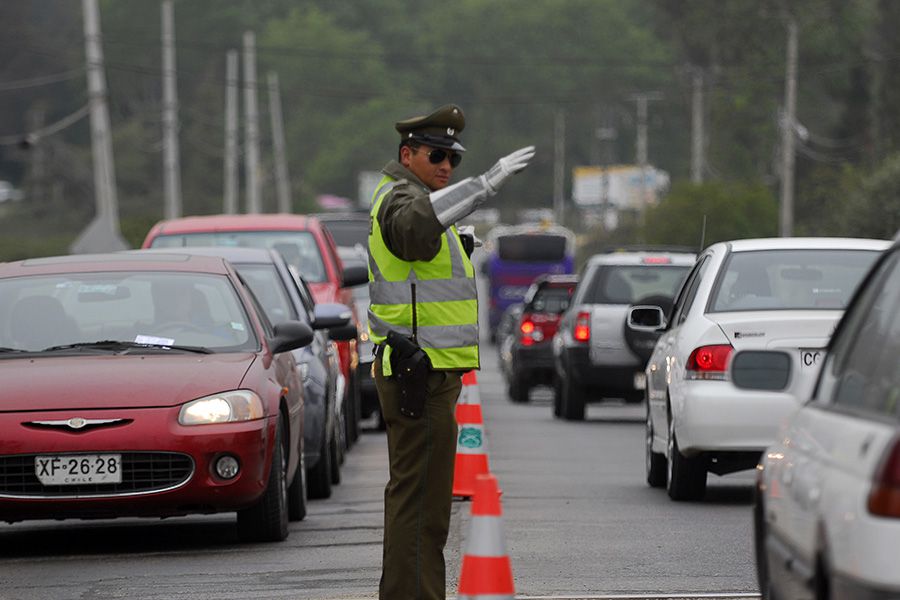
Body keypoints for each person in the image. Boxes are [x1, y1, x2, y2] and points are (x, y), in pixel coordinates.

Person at [367, 103, 534, 600]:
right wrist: (483, 185)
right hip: (417, 374)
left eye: (454, 159)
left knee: (426, 508)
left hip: (431, 373)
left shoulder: (418, 197)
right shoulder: (401, 198)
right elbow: (414, 231)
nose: (446, 166)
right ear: (407, 154)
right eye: (437, 155)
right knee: (419, 507)